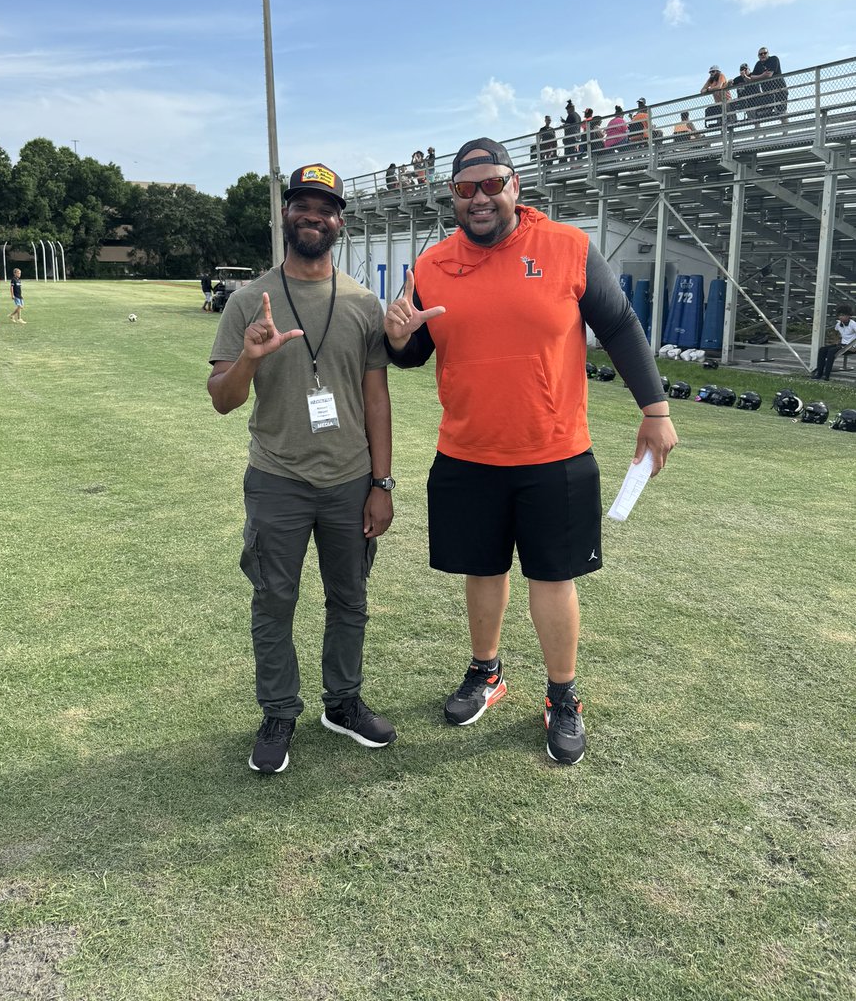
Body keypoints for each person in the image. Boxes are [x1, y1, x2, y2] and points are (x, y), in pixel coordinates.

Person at [383, 138, 677, 766]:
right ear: (453, 197)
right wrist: (397, 338)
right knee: (481, 570)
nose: (480, 198)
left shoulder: (567, 248)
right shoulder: (433, 264)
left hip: (555, 454)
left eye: (492, 184)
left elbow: (620, 324)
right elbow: (415, 353)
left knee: (553, 577)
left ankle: (562, 696)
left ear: (516, 186)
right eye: (466, 189)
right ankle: (486, 672)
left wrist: (655, 410)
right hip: (467, 453)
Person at [207, 162, 397, 774]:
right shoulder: (247, 301)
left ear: (341, 220)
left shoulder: (364, 304)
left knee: (350, 600)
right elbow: (222, 397)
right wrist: (249, 357)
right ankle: (279, 712)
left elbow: (376, 397)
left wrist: (382, 483)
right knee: (273, 601)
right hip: (277, 478)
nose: (313, 215)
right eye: (302, 205)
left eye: (326, 207)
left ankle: (341, 703)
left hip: (349, 481)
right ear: (285, 214)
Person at [811, 304, 856, 380]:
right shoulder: (839, 324)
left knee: (831, 352)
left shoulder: (853, 324)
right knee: (822, 350)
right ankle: (819, 373)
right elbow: (836, 333)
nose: (841, 317)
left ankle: (826, 375)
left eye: (843, 315)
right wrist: (836, 341)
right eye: (840, 315)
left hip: (851, 347)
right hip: (842, 345)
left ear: (848, 315)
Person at [748, 46, 788, 124]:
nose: (763, 55)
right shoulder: (758, 64)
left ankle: (786, 131)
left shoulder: (773, 59)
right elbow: (752, 77)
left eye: (764, 53)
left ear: (768, 54)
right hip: (767, 93)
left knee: (782, 112)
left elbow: (769, 75)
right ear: (758, 56)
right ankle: (762, 134)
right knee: (763, 113)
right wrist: (762, 75)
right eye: (760, 54)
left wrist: (758, 77)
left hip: (779, 90)